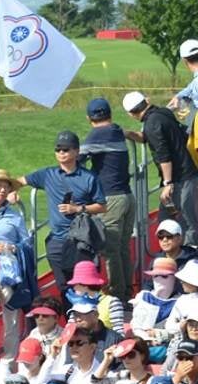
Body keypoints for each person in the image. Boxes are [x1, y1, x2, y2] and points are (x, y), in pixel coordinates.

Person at [17, 130, 107, 293]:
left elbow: (102, 206)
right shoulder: (47, 174)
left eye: (66, 149)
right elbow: (20, 181)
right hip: (56, 241)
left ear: (76, 151)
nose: (61, 153)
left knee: (84, 285)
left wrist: (78, 208)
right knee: (63, 287)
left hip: (82, 241)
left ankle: (88, 317)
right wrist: (11, 191)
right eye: (58, 150)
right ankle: (70, 318)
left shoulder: (89, 178)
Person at [124, 90, 198, 244]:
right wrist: (129, 133)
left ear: (131, 113)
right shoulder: (162, 113)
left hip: (180, 179)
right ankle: (177, 255)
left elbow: (164, 156)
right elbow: (148, 137)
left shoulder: (151, 124)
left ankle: (189, 257)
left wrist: (167, 183)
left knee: (187, 222)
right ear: (146, 101)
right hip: (186, 173)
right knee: (168, 218)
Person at [80, 96, 136, 301]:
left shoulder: (96, 136)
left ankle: (117, 296)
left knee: (111, 251)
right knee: (122, 248)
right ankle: (127, 291)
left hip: (110, 199)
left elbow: (75, 160)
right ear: (110, 114)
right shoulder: (117, 130)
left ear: (89, 118)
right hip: (128, 197)